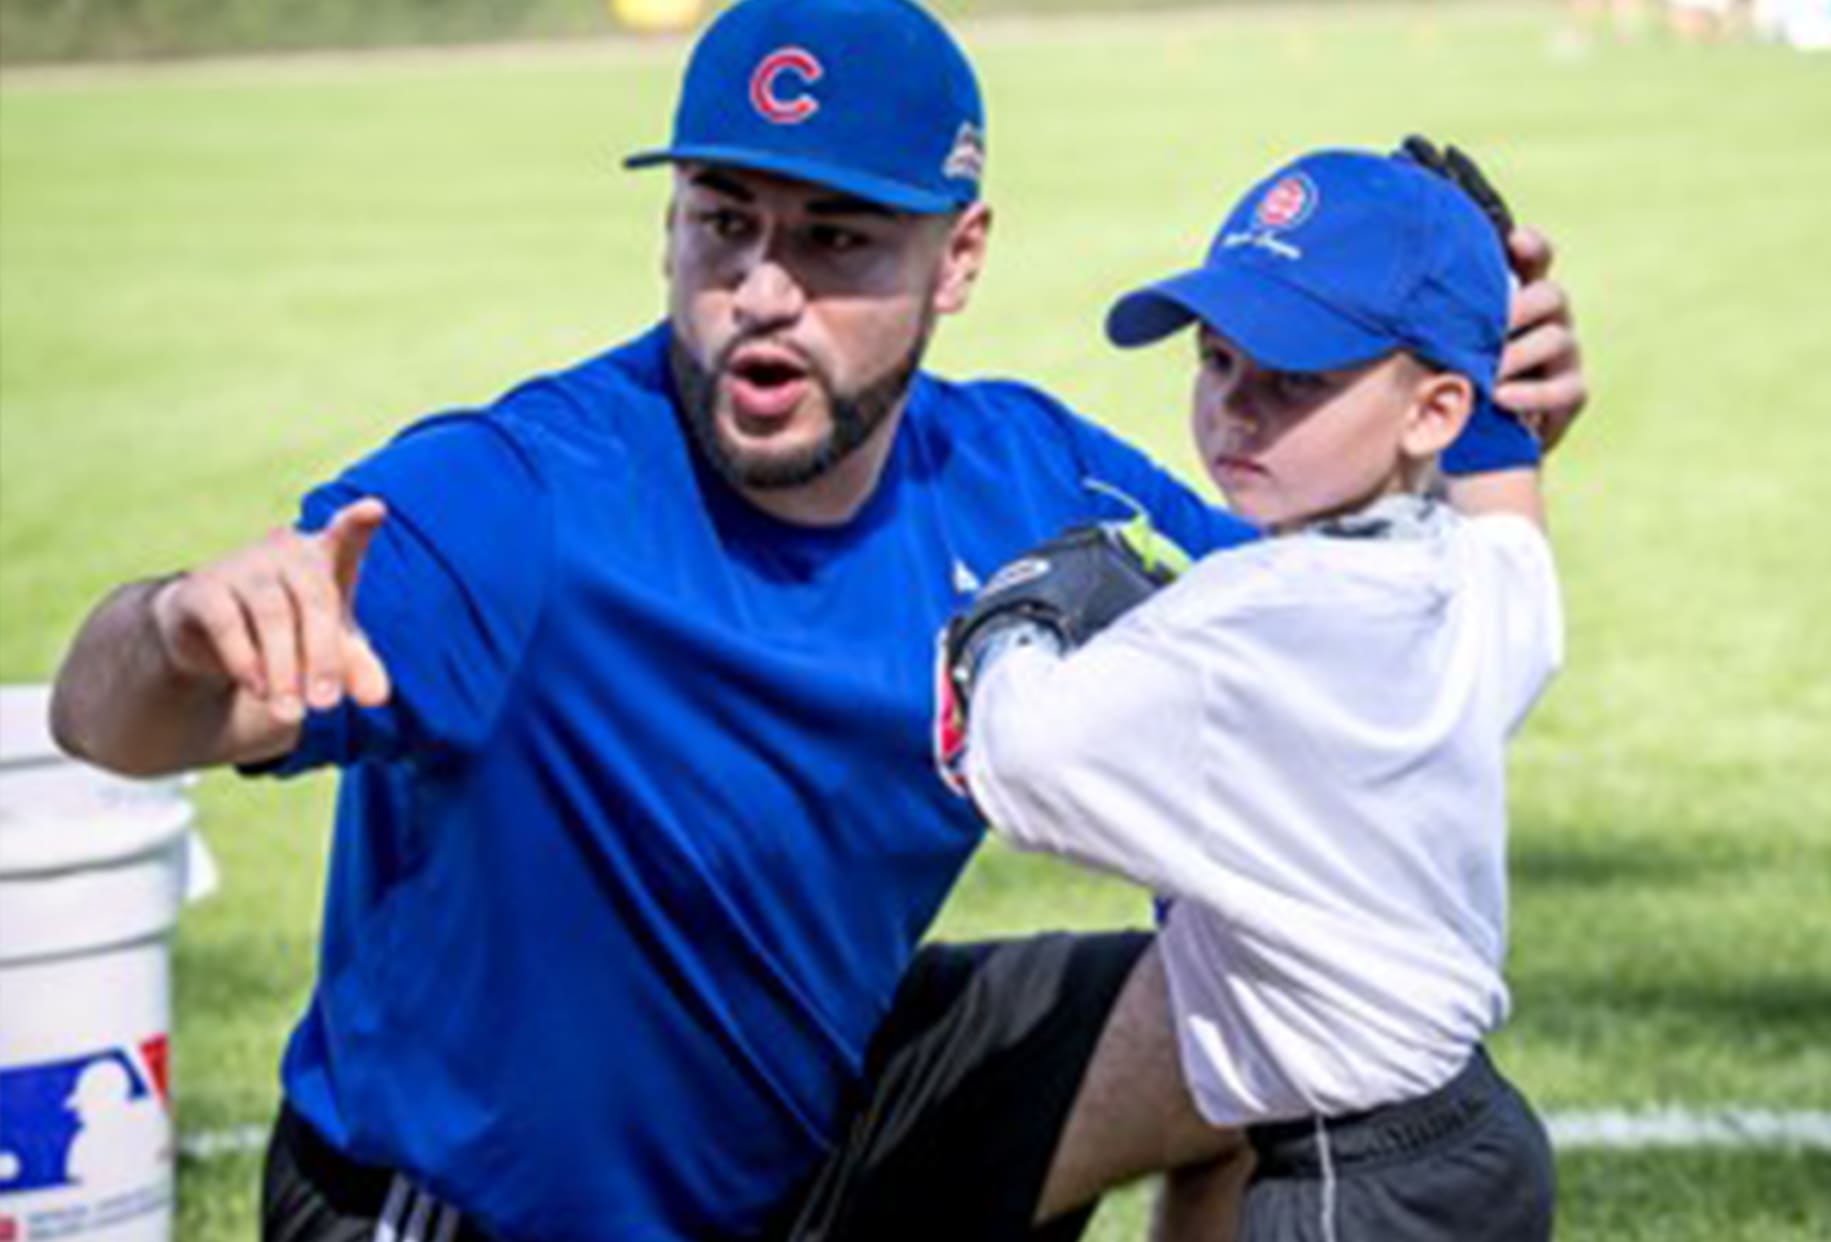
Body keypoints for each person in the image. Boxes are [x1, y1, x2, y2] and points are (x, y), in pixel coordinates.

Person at [45, 1, 1589, 1238]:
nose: (763, 290)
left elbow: (1345, 620)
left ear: (959, 256)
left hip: (811, 1126)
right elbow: (109, 723)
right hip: (471, 1208)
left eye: (838, 238)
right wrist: (177, 624)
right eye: (726, 222)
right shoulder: (515, 503)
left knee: (1325, 1018)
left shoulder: (1028, 482)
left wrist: (1468, 436)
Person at [941, 148, 1560, 1241]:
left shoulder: (1245, 616)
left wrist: (1010, 624)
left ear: (1431, 413)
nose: (1237, 411)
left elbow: (1021, 761)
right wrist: (1491, 370)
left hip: (1345, 1181)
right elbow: (1512, 522)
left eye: (1298, 381)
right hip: (1467, 1146)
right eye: (1219, 361)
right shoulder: (1455, 575)